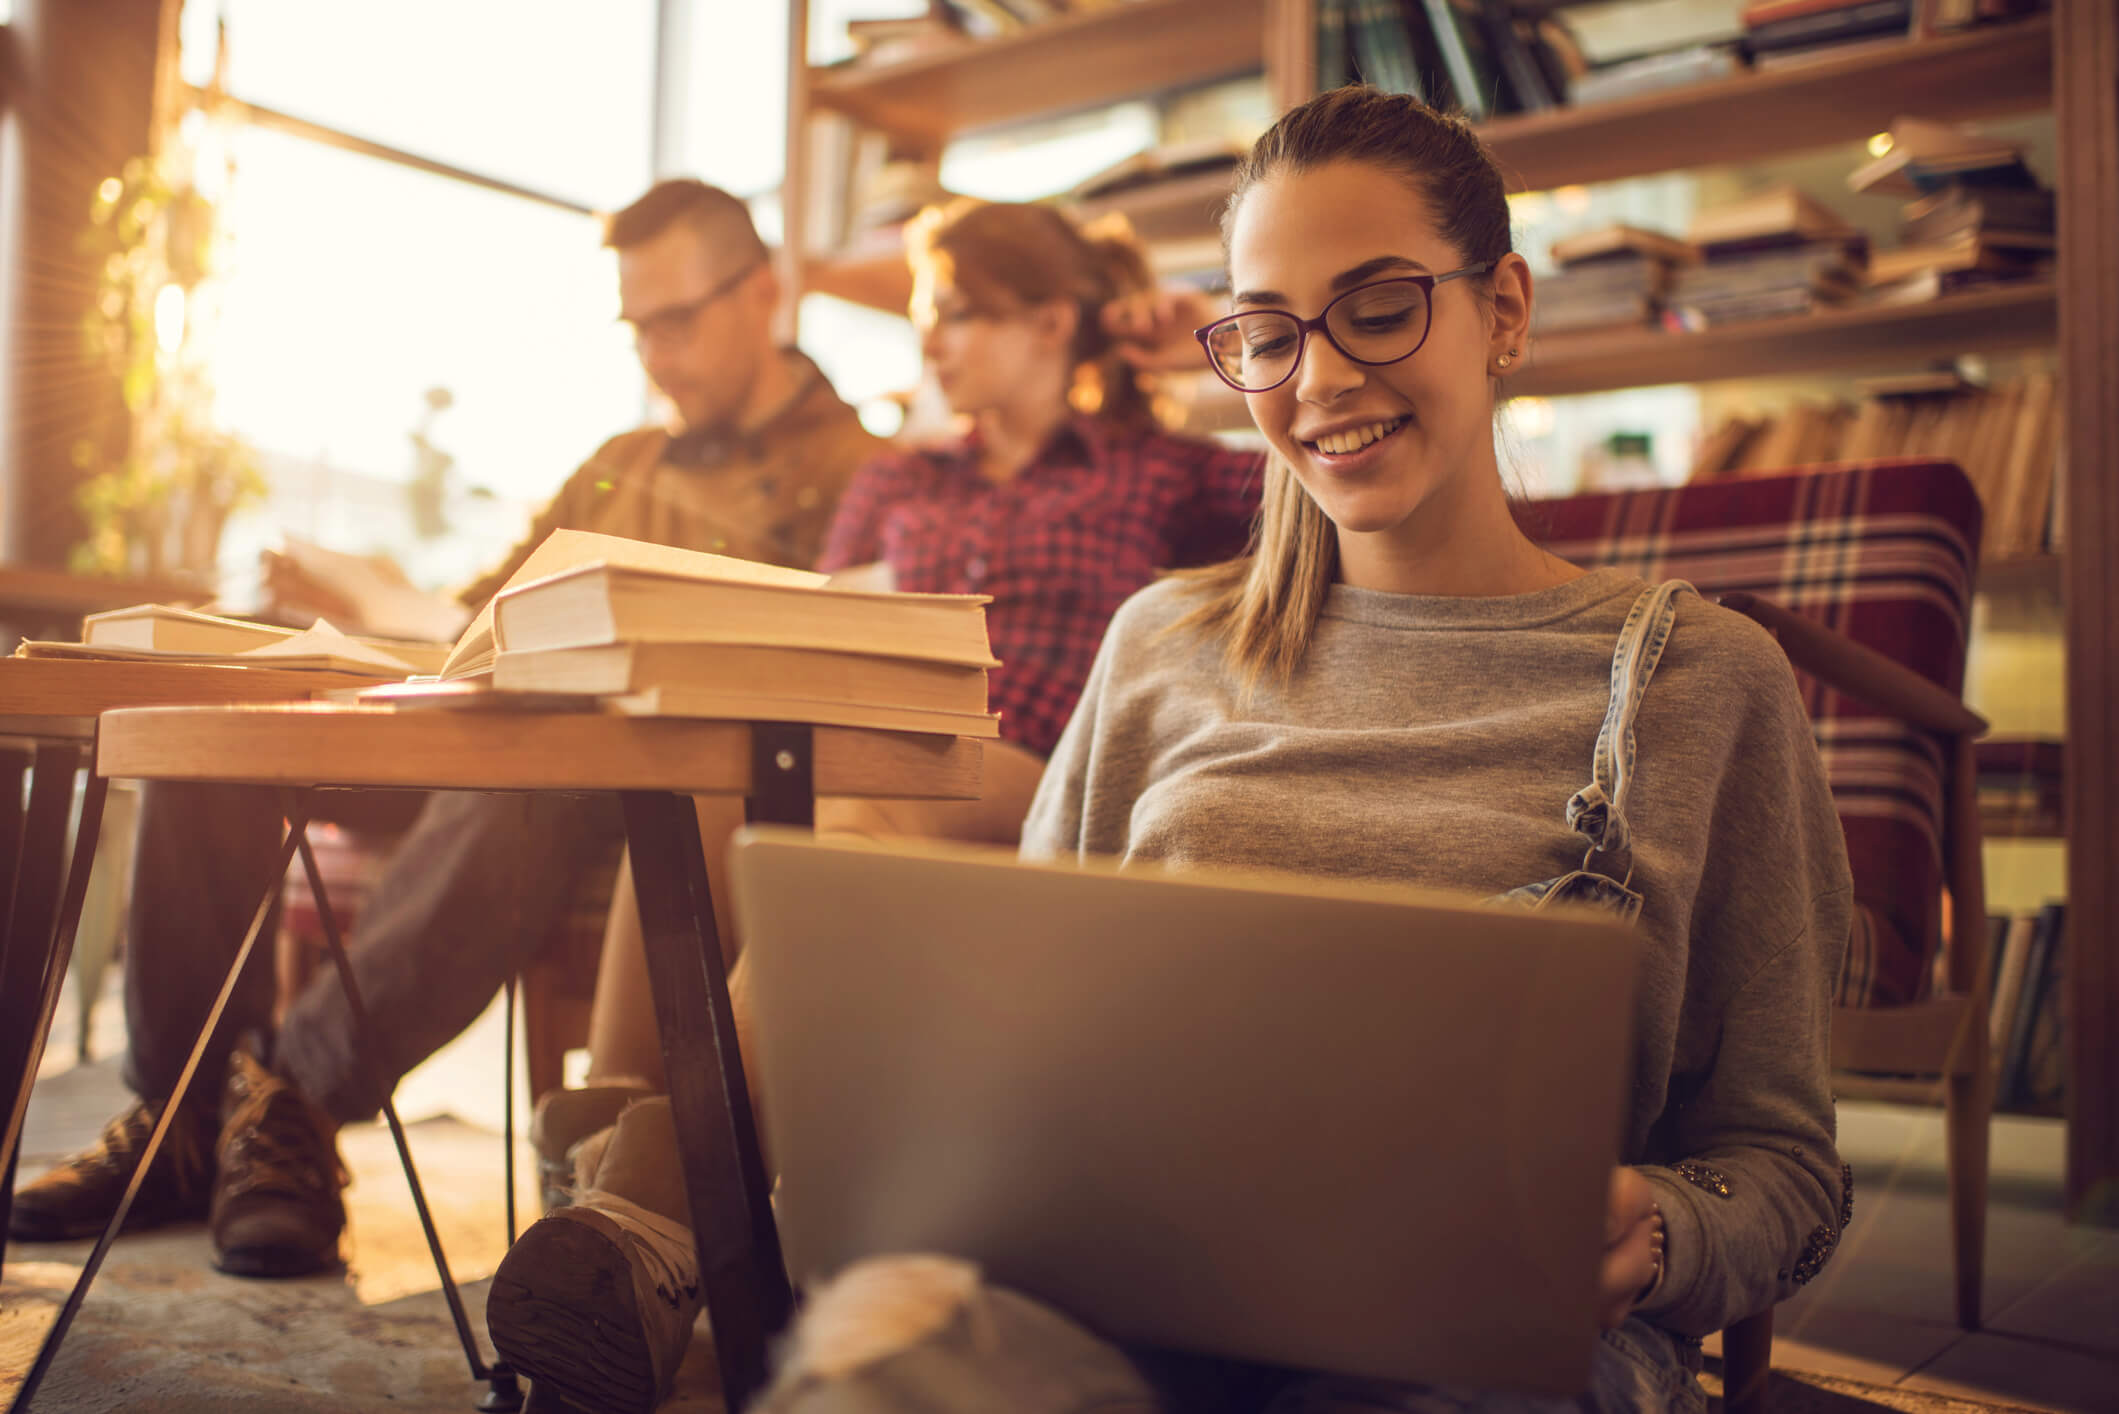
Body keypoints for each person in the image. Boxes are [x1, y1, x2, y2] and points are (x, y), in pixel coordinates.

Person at [741, 86, 1857, 1414]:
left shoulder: (1701, 681)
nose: (1319, 378)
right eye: (1265, 333)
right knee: (879, 1367)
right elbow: (1008, 1073)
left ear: (1501, 310)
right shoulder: (1156, 644)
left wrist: (1660, 1228)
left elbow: (1782, 1166)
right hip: (1113, 1303)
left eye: (1377, 307)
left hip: (1470, 1351)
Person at [7, 180, 883, 1281]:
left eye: (677, 321)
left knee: (534, 768)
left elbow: (800, 670)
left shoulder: (863, 471)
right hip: (482, 719)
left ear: (763, 293)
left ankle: (286, 1108)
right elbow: (483, 610)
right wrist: (381, 603)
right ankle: (188, 1122)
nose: (656, 354)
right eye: (636, 326)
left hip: (634, 776)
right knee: (229, 709)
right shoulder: (624, 455)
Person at [484, 197, 1267, 1414]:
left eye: (959, 312)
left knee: (856, 803)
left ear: (1054, 319)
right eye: (925, 316)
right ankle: (612, 1210)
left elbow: (1322, 489)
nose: (933, 341)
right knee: (689, 776)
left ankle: (637, 1205)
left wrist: (1198, 342)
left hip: (1034, 776)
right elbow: (823, 625)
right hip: (862, 753)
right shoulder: (900, 478)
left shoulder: (1161, 471)